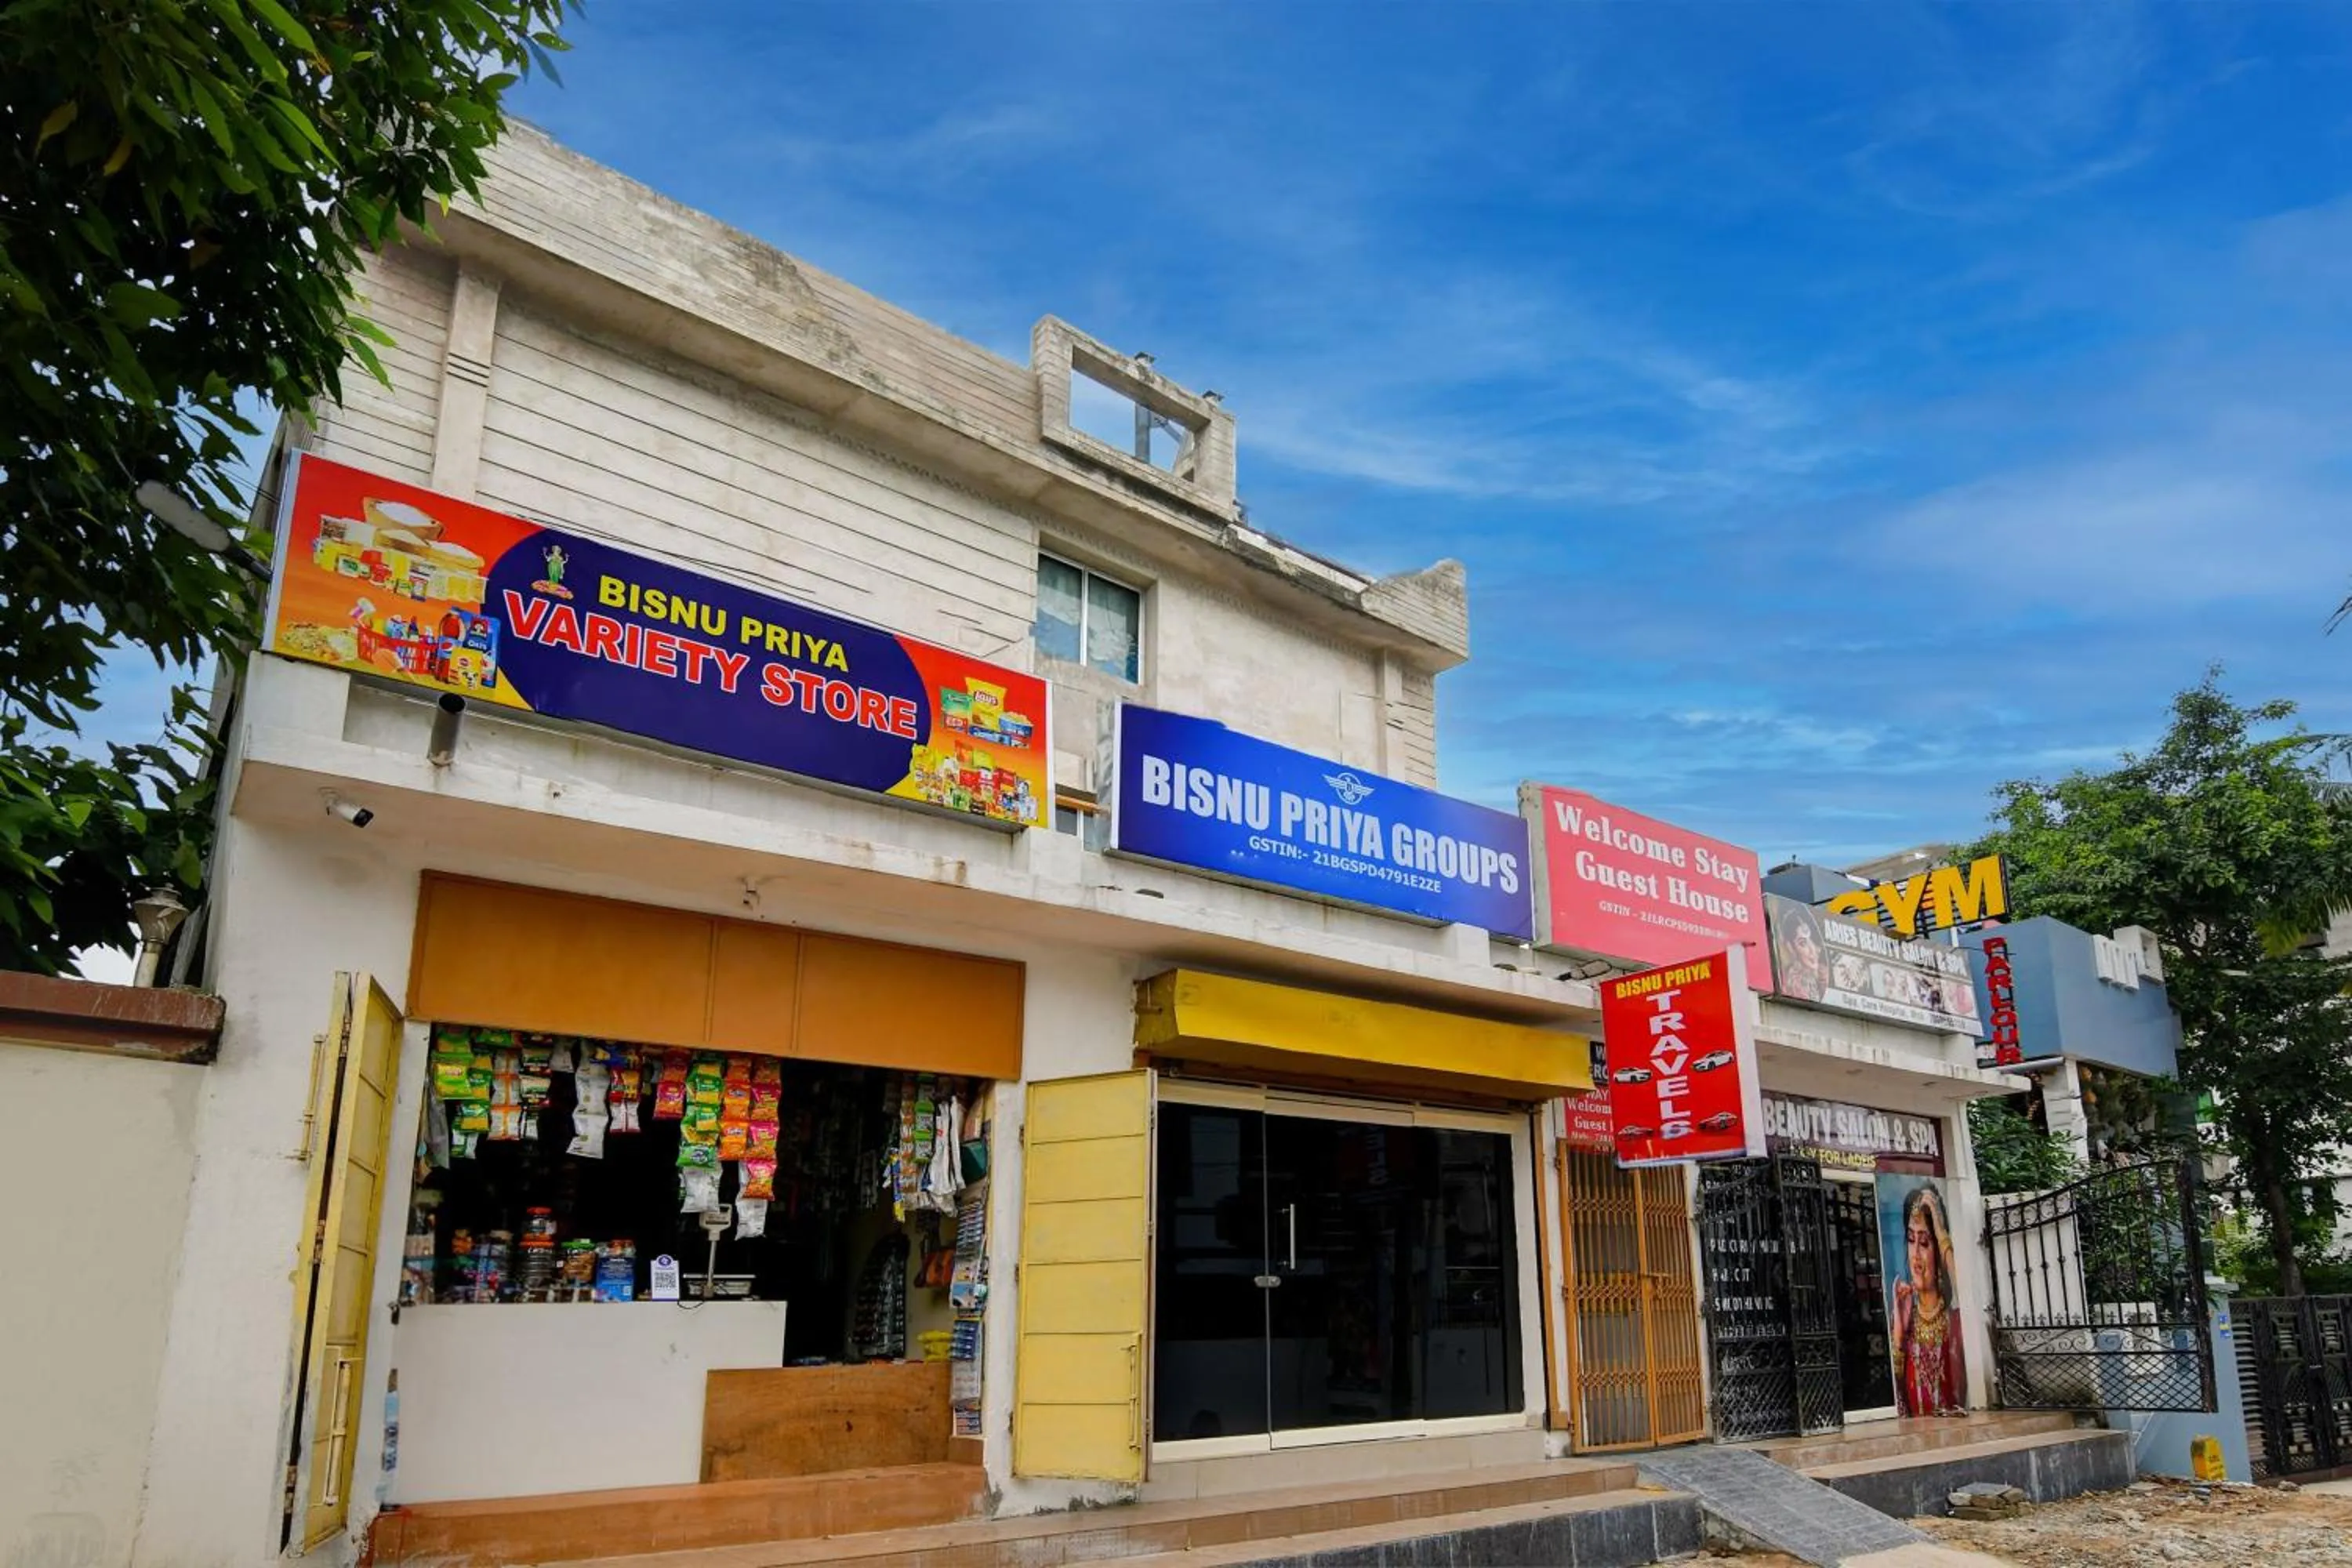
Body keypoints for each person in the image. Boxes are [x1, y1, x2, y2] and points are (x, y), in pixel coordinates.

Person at [1889, 1183, 1966, 1414]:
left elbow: (1964, 1286)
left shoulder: (1956, 1321)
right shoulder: (1904, 1321)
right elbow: (1899, 1406)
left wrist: (1941, 1229)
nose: (1915, 1256)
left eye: (1924, 1243)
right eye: (1911, 1241)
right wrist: (1899, 1338)